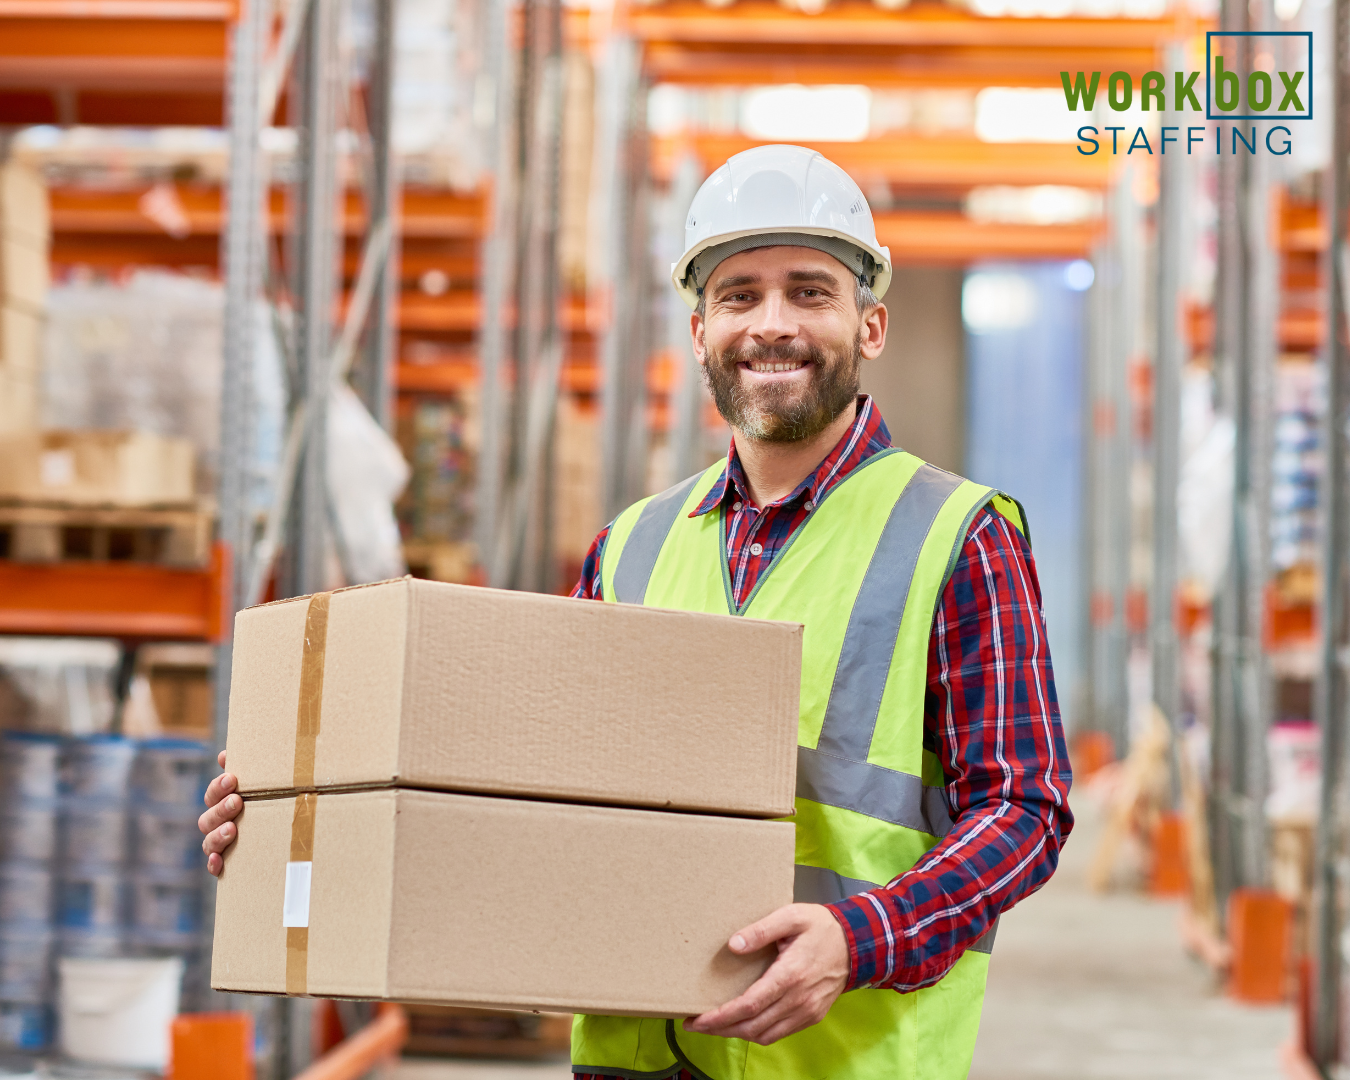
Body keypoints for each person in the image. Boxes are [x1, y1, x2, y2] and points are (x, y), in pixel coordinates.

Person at [201, 144, 1072, 1080]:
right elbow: (518, 786)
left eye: (809, 292)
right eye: (739, 296)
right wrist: (310, 811)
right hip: (632, 1061)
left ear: (870, 326)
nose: (771, 324)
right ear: (698, 330)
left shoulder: (957, 533)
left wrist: (862, 937)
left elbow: (1026, 807)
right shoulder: (631, 548)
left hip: (838, 1059)